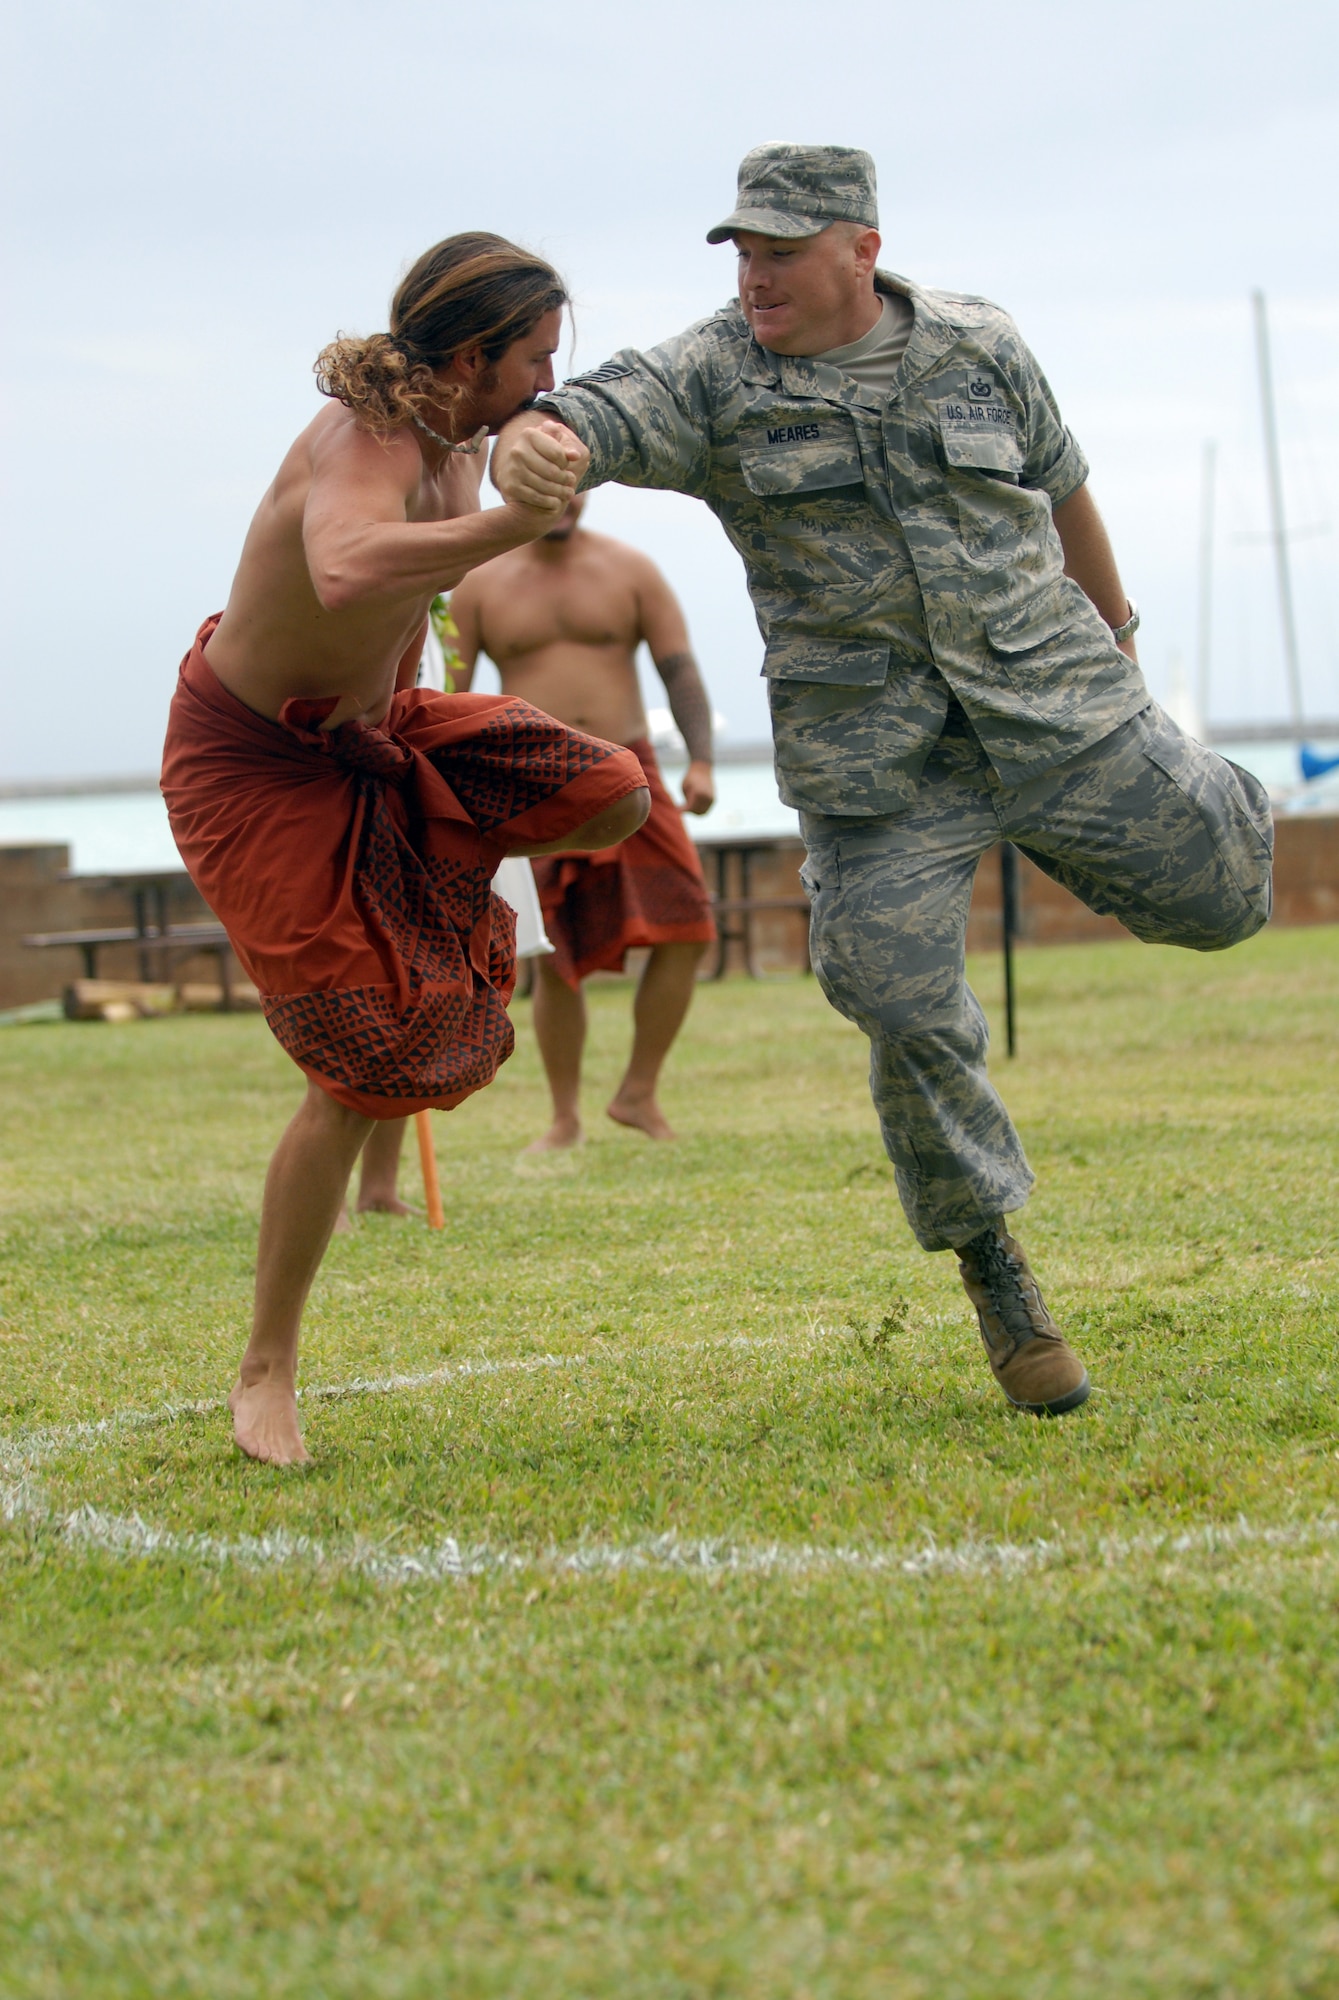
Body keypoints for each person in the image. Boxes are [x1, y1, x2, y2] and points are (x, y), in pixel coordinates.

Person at [490, 145, 1274, 1417]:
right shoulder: (714, 373)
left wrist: (1121, 651)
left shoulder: (978, 342)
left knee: (1227, 897)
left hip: (1054, 703)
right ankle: (997, 1272)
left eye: (782, 251)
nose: (755, 277)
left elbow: (1064, 485)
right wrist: (530, 443)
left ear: (861, 249)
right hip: (880, 761)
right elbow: (579, 414)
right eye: (740, 250)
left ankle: (1211, 788)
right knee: (889, 989)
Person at [161, 233, 650, 1465]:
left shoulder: (477, 434)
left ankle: (432, 895)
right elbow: (343, 567)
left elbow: (539, 463)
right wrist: (504, 524)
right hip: (257, 765)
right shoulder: (360, 438)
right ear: (472, 353)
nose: (549, 376)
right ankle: (266, 1368)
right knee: (361, 1068)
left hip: (390, 726)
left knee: (608, 792)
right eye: (535, 356)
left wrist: (542, 458)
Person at [448, 493, 718, 1147]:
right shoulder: (480, 581)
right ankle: (564, 1117)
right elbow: (448, 692)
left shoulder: (631, 570)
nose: (562, 498)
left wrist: (702, 761)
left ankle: (638, 1093)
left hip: (630, 768)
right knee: (552, 952)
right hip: (529, 777)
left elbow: (677, 670)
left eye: (574, 480)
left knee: (687, 925)